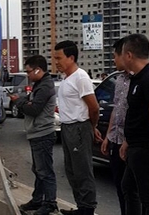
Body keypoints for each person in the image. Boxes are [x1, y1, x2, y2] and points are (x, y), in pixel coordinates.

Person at [53, 40, 102, 215]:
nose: (56, 62)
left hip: (79, 128)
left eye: (59, 58)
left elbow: (94, 107)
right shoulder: (67, 78)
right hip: (67, 127)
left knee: (82, 169)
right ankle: (81, 206)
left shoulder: (81, 77)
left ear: (71, 57)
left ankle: (88, 209)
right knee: (71, 170)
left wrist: (91, 126)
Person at [120, 34, 149, 215]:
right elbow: (136, 113)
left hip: (145, 147)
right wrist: (127, 141)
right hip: (135, 145)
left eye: (122, 54)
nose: (121, 58)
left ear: (129, 55)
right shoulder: (136, 78)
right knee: (128, 187)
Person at [11, 55, 59, 215]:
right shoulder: (39, 85)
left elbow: (34, 109)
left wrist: (19, 102)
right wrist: (25, 101)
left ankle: (50, 203)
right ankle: (37, 200)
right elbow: (29, 102)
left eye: (29, 71)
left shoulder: (45, 86)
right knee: (38, 170)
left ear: (38, 69)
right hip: (37, 133)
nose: (28, 75)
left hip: (43, 133)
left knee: (45, 171)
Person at [100, 37, 129, 215]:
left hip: (131, 143)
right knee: (119, 184)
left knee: (132, 189)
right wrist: (108, 137)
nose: (113, 60)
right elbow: (116, 110)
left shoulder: (141, 80)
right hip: (115, 139)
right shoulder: (118, 80)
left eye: (115, 56)